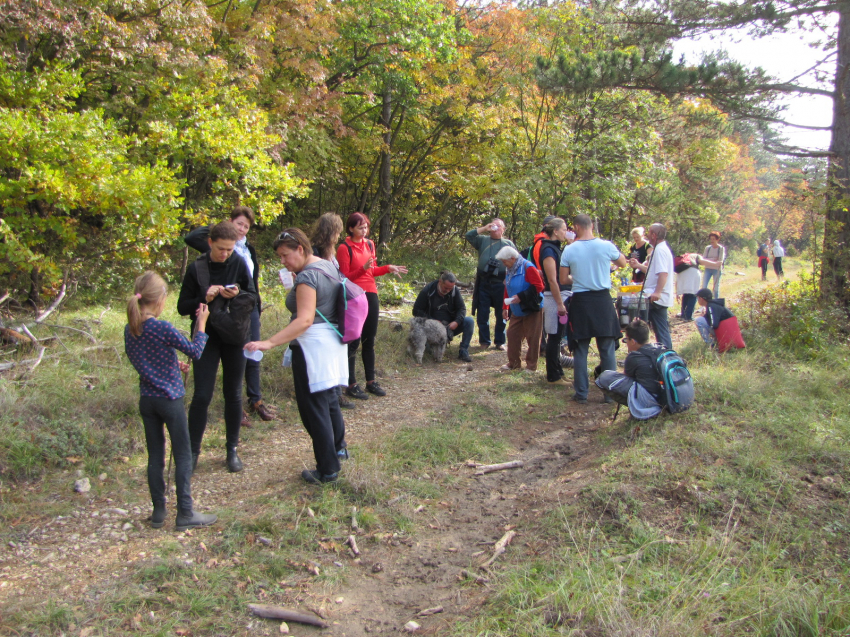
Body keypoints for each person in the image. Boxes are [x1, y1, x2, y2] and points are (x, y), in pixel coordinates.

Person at [246, 229, 349, 484]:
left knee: (314, 408)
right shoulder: (328, 266)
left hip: (312, 347)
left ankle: (327, 470)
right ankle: (338, 450)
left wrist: (269, 342)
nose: (282, 261)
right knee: (329, 401)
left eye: (285, 255)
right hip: (333, 342)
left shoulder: (308, 277)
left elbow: (304, 319)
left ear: (300, 249)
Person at [125, 272, 218, 531]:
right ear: (160, 300)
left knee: (155, 455)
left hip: (148, 399)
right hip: (170, 399)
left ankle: (158, 511)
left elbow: (141, 359)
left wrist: (171, 363)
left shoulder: (131, 327)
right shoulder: (162, 327)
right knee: (183, 454)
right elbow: (196, 352)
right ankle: (185, 513)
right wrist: (201, 324)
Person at [184, 206, 275, 424]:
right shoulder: (206, 257)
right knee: (205, 390)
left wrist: (250, 300)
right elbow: (192, 236)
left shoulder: (247, 252)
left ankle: (255, 401)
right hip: (212, 322)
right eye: (239, 224)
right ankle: (233, 415)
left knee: (251, 354)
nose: (242, 229)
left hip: (243, 310)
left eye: (246, 226)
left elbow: (251, 285)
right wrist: (219, 228)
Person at [178, 221, 256, 474]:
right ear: (210, 243)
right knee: (202, 395)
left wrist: (238, 293)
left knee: (233, 394)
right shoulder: (197, 268)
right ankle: (192, 452)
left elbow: (254, 297)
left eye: (230, 249)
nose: (225, 254)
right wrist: (206, 298)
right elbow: (182, 307)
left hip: (234, 334)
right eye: (221, 249)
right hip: (206, 335)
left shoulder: (239, 262)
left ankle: (231, 450)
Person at [337, 212, 408, 400]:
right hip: (353, 295)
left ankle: (371, 381)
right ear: (351, 228)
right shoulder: (344, 248)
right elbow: (343, 277)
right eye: (360, 226)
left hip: (371, 294)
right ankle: (351, 384)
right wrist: (363, 268)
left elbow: (373, 271)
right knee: (353, 340)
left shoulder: (369, 244)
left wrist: (387, 268)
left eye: (366, 226)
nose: (364, 230)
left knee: (370, 339)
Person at [559, 214, 627, 403]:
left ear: (577, 227)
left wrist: (579, 278)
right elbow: (623, 262)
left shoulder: (570, 250)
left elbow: (564, 279)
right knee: (607, 349)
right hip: (602, 300)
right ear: (591, 226)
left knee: (580, 350)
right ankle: (610, 395)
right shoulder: (606, 246)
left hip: (581, 301)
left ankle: (581, 394)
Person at [310, 212, 354, 410]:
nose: (338, 236)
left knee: (337, 349)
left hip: (336, 305)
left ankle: (337, 392)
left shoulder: (330, 251)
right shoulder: (315, 251)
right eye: (337, 232)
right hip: (321, 308)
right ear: (330, 231)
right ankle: (330, 394)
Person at [595, 319, 665, 420]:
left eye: (626, 340)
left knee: (604, 378)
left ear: (633, 341)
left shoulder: (634, 357)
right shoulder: (660, 348)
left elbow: (627, 377)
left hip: (650, 399)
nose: (626, 343)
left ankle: (638, 408)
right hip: (664, 395)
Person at [465, 219, 516, 350]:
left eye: (499, 226)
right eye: (494, 225)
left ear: (503, 229)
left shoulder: (508, 243)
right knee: (483, 313)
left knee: (502, 313)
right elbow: (468, 235)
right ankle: (484, 341)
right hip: (484, 282)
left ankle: (500, 341)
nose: (495, 228)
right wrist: (484, 228)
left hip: (501, 283)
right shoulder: (482, 240)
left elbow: (516, 262)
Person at [496, 246, 545, 372]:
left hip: (532, 308)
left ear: (512, 258)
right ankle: (514, 363)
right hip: (516, 309)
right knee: (512, 334)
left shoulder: (528, 267)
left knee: (532, 337)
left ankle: (531, 365)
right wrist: (505, 307)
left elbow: (539, 286)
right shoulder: (509, 270)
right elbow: (507, 288)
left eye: (504, 261)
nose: (503, 264)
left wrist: (521, 296)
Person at [412, 271, 474, 362]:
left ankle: (463, 351)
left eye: (450, 288)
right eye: (446, 288)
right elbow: (416, 311)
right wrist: (433, 321)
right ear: (440, 281)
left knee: (469, 321)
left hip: (449, 326)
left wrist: (456, 321)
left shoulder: (455, 290)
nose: (448, 291)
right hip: (431, 328)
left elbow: (462, 309)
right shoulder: (427, 291)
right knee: (428, 352)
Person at [630, 223, 674, 350]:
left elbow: (663, 273)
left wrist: (658, 292)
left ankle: (640, 353)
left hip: (654, 297)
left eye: (649, 232)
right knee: (661, 328)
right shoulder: (660, 249)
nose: (647, 235)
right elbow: (652, 271)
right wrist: (638, 266)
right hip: (655, 296)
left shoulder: (660, 250)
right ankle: (667, 354)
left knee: (640, 327)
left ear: (654, 235)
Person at [537, 217, 571, 384]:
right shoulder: (548, 250)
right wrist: (559, 304)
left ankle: (559, 370)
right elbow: (552, 280)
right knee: (554, 337)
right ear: (556, 231)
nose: (566, 232)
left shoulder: (557, 248)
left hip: (560, 296)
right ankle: (553, 376)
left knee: (558, 337)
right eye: (564, 229)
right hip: (553, 298)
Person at [675, 254, 702, 321]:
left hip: (682, 273)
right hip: (693, 273)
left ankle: (683, 314)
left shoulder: (685, 258)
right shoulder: (697, 256)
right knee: (693, 295)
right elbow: (702, 262)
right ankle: (689, 316)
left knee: (686, 294)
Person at [701, 232, 725, 297]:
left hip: (717, 270)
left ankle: (716, 302)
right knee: (704, 286)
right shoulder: (707, 248)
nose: (712, 241)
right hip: (707, 269)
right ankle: (704, 301)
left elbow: (720, 261)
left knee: (716, 288)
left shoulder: (721, 248)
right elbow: (703, 260)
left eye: (714, 239)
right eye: (711, 239)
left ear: (717, 239)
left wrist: (709, 260)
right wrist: (714, 260)